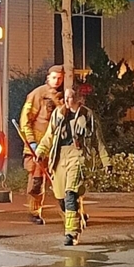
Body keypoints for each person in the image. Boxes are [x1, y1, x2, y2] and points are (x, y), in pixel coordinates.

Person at [36, 87, 111, 246]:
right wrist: (41, 152)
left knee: (71, 194)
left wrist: (106, 161)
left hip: (78, 156)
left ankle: (71, 233)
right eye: (65, 97)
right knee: (61, 198)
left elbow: (98, 139)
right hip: (59, 157)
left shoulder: (88, 116)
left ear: (79, 98)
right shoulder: (58, 114)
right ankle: (78, 218)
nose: (67, 101)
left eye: (70, 97)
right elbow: (49, 135)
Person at [19, 65, 64, 224]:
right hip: (38, 145)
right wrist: (31, 142)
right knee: (37, 182)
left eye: (59, 78)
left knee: (64, 181)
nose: (57, 81)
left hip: (57, 146)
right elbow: (25, 120)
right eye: (54, 77)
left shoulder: (64, 96)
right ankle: (34, 212)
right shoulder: (37, 94)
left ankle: (70, 212)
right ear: (48, 77)